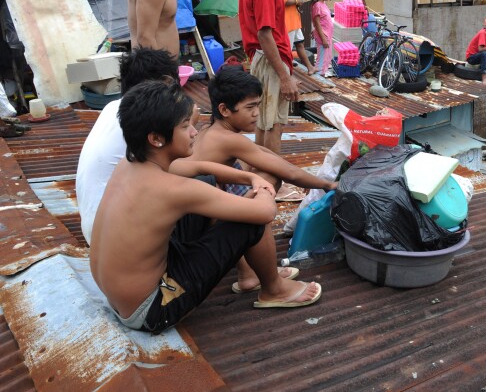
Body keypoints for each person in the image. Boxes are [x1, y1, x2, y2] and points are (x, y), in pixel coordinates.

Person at [90, 81, 321, 334]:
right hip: (150, 309)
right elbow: (265, 213)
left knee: (208, 182)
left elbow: (201, 168)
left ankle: (251, 274)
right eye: (185, 126)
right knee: (250, 220)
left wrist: (249, 178)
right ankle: (274, 290)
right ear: (156, 138)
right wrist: (263, 187)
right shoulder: (173, 190)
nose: (193, 133)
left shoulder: (131, 162)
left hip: (119, 296)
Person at [187, 66, 337, 292]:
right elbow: (289, 173)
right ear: (224, 109)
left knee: (258, 171)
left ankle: (248, 269)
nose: (257, 113)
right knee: (266, 184)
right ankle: (250, 273)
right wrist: (327, 184)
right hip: (202, 228)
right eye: (250, 107)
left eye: (257, 105)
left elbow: (267, 156)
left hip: (193, 220)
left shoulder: (211, 130)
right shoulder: (228, 140)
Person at [77, 48, 184, 245]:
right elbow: (182, 166)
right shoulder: (148, 119)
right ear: (166, 82)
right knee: (208, 185)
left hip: (96, 228)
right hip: (118, 235)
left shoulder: (112, 107)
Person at [239, 0, 301, 156]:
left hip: (260, 58)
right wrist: (285, 77)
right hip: (270, 59)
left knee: (264, 121)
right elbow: (265, 34)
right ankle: (275, 181)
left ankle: (262, 172)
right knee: (274, 123)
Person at [273, 0, 317, 75]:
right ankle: (288, 76)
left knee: (299, 44)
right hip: (287, 22)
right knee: (286, 51)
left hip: (293, 21)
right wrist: (297, 0)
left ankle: (310, 67)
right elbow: (282, 1)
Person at [311, 0, 334, 77]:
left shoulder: (323, 4)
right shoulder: (317, 5)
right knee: (321, 59)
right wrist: (323, 38)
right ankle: (318, 79)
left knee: (326, 58)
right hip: (323, 36)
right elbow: (316, 22)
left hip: (327, 35)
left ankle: (322, 75)